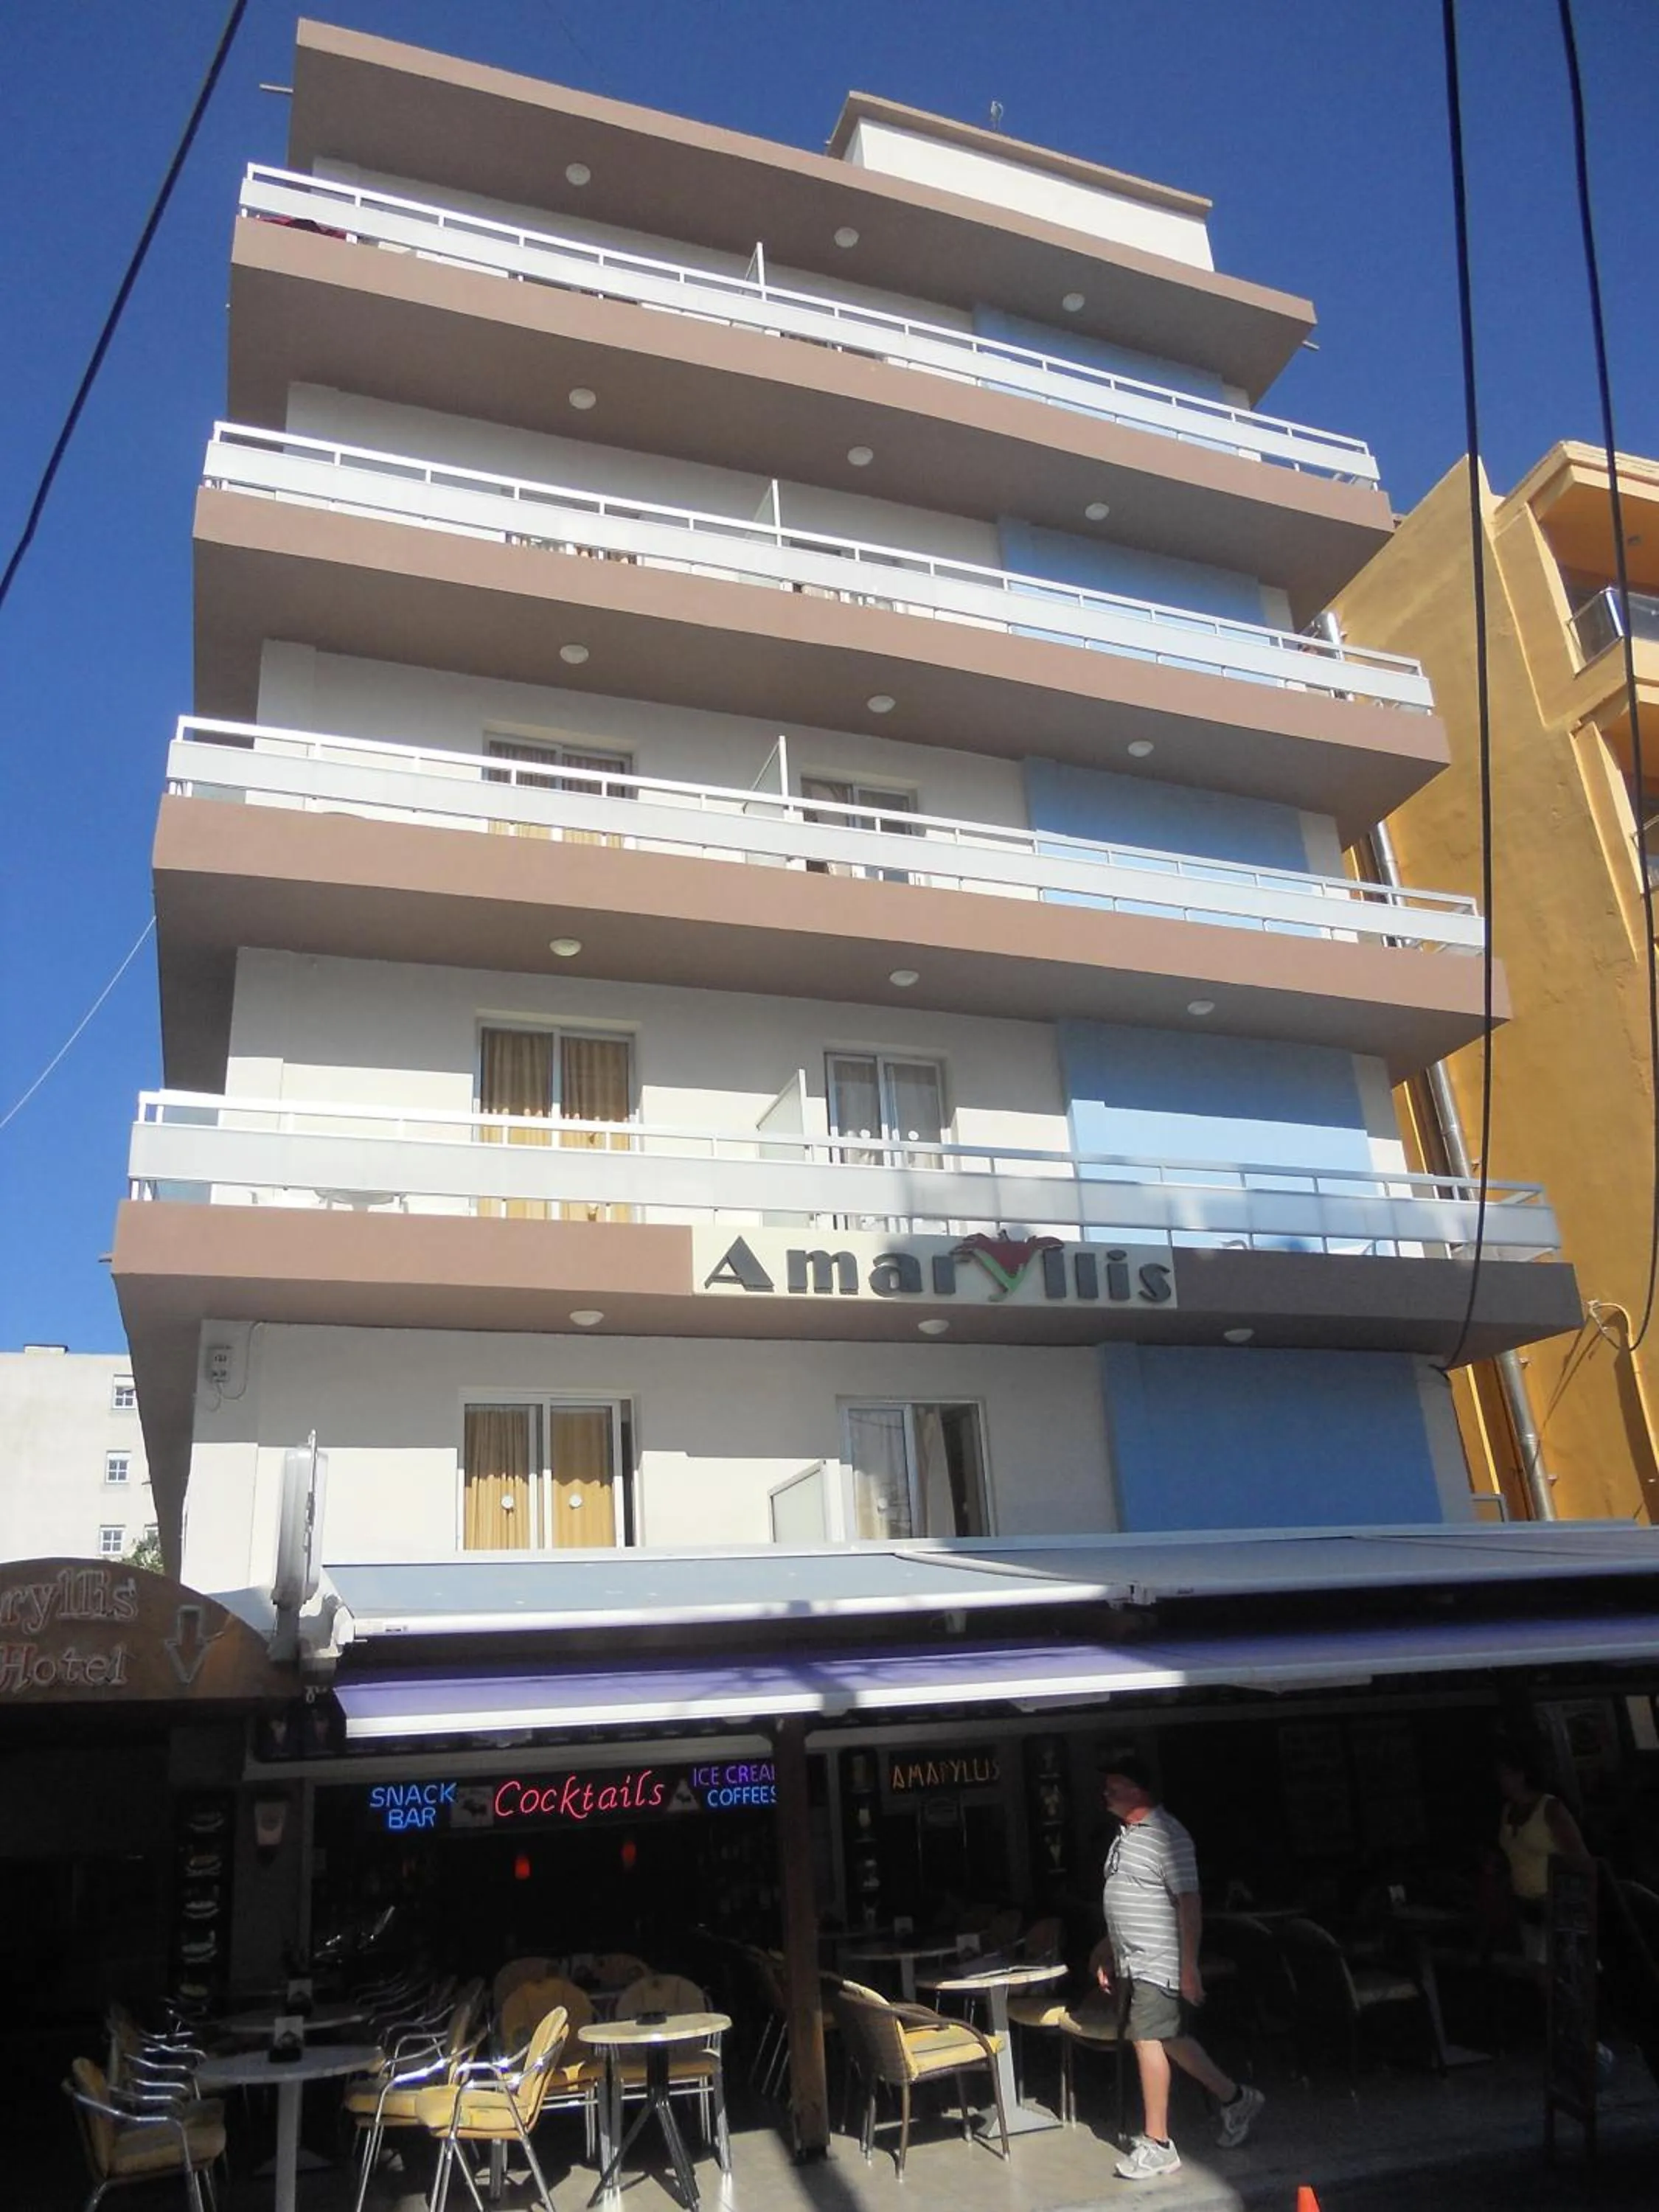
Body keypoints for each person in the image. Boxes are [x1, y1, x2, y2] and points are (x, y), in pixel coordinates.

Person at [1097, 1753, 1264, 2181]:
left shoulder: (1168, 1836)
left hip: (1158, 1958)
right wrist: (1106, 1952)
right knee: (1171, 2038)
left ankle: (1158, 2144)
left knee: (1147, 2037)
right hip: (1132, 1960)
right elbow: (1125, 1898)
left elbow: (1189, 1902)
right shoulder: (1126, 1836)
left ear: (1138, 1790)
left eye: (1114, 1785)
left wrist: (1189, 1966)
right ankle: (1235, 2098)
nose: (1106, 1792)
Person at [1494, 1739, 1591, 1966]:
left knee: (1565, 1972)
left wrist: (1568, 1901)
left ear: (1521, 1775)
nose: (1500, 1781)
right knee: (1539, 1969)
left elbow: (1579, 1859)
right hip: (1526, 1903)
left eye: (1505, 1774)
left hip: (1554, 1902)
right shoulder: (1508, 1811)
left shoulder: (1551, 1809)